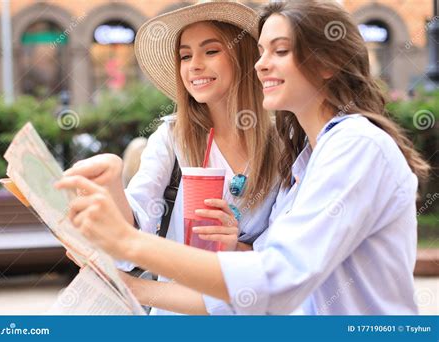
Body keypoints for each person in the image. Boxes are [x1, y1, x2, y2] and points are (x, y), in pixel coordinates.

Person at [56, 0, 430, 315]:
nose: (262, 64)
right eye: (263, 51)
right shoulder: (307, 158)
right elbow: (256, 282)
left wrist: (128, 249)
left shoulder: (350, 146)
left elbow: (277, 278)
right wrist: (131, 278)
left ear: (327, 63)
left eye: (279, 51)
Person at [61, 1, 281, 315]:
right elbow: (132, 245)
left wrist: (237, 246)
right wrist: (111, 183)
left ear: (243, 56)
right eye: (186, 55)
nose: (194, 65)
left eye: (211, 51)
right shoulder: (172, 138)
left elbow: (288, 261)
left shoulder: (286, 145)